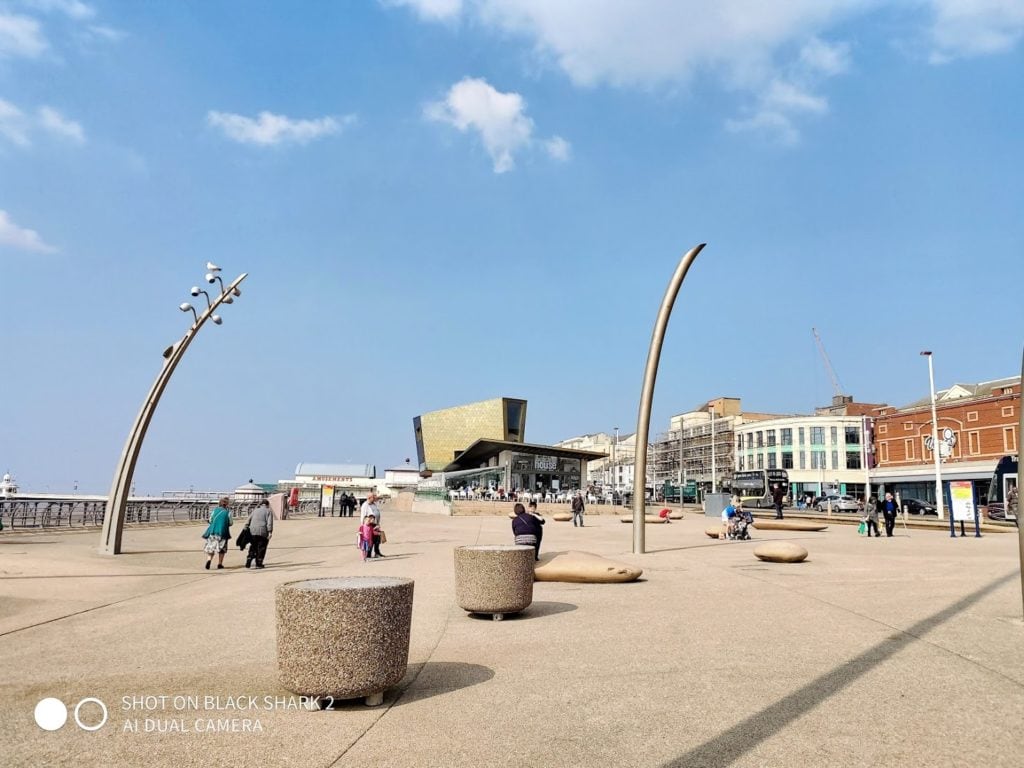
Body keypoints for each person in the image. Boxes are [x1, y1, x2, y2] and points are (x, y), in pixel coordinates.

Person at [202, 497, 233, 570]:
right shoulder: (228, 513)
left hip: (213, 532)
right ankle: (220, 564)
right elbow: (231, 523)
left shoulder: (215, 510)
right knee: (222, 549)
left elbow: (210, 520)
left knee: (211, 547)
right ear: (227, 504)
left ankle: (209, 560)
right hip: (223, 533)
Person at [245, 498, 274, 568]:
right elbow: (269, 523)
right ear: (267, 505)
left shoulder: (255, 510)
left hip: (252, 531)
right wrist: (270, 532)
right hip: (262, 531)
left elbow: (248, 520)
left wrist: (246, 527)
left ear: (261, 504)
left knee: (253, 546)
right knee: (261, 547)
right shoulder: (268, 511)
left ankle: (249, 558)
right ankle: (259, 563)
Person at [361, 493, 384, 558]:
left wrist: (378, 523)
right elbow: (363, 516)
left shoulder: (373, 504)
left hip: (376, 524)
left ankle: (377, 552)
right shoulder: (365, 505)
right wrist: (363, 526)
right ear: (369, 498)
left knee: (377, 539)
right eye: (373, 497)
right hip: (370, 525)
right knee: (371, 540)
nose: (375, 498)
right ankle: (368, 554)